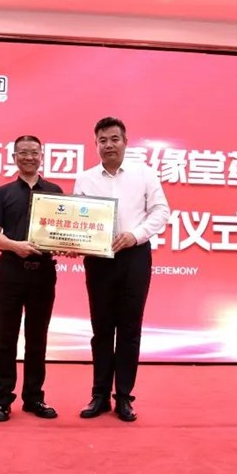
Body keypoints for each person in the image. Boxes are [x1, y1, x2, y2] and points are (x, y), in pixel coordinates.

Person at [73, 117, 170, 422]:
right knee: (101, 328)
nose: (109, 145)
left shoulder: (144, 173)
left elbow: (161, 211)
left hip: (134, 257)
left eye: (114, 139)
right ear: (96, 145)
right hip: (98, 259)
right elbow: (78, 220)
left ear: (125, 142)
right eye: (102, 140)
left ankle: (124, 397)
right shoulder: (85, 179)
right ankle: (100, 395)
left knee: (129, 329)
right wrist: (74, 242)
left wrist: (135, 235)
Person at [0, 135, 61, 422]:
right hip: (10, 270)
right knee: (4, 337)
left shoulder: (54, 192)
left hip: (43, 272)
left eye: (34, 152)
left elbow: (63, 232)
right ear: (14, 157)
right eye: (23, 153)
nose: (29, 157)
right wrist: (16, 246)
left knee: (37, 337)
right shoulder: (3, 193)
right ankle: (3, 400)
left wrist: (69, 245)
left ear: (42, 156)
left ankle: (34, 398)